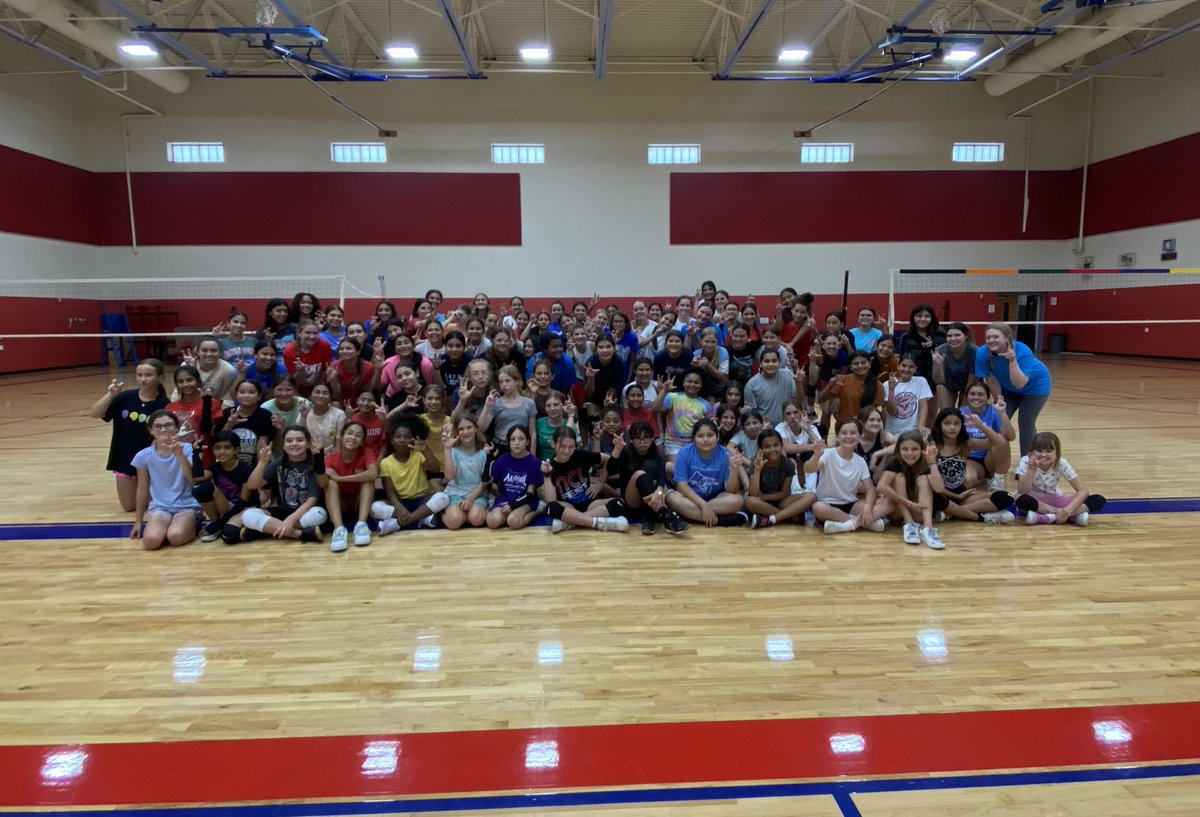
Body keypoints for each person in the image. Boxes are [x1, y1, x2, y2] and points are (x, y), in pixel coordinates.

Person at [89, 359, 169, 512]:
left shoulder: (165, 403)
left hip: (152, 463)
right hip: (124, 459)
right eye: (139, 375)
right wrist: (111, 395)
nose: (143, 379)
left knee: (156, 505)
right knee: (130, 507)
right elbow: (94, 413)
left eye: (148, 375)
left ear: (160, 377)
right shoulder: (125, 397)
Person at [973, 321, 1052, 457]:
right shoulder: (982, 353)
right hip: (1008, 389)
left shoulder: (1022, 350)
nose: (991, 340)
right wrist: (999, 401)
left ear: (1007, 337)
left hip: (1035, 387)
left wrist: (1012, 360)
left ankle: (1027, 463)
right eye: (988, 337)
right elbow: (991, 380)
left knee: (1026, 422)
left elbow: (1019, 384)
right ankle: (995, 461)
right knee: (998, 420)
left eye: (996, 337)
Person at [239, 425, 328, 543]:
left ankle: (268, 531)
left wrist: (291, 520)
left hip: (306, 512)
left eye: (300, 440)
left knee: (318, 514)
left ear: (307, 444)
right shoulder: (279, 462)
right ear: (284, 446)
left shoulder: (313, 463)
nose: (294, 444)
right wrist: (263, 461)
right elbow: (252, 485)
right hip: (284, 511)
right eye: (289, 441)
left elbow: (312, 500)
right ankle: (300, 534)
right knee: (247, 515)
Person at [927, 407, 1016, 525]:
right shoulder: (933, 446)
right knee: (938, 501)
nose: (952, 427)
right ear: (940, 425)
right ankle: (974, 515)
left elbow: (998, 442)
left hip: (962, 495)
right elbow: (935, 486)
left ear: (961, 425)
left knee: (1006, 497)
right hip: (942, 496)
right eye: (947, 423)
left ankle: (952, 513)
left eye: (956, 423)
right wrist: (956, 496)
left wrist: (980, 425)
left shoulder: (966, 444)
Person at [129, 409, 201, 550]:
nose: (164, 429)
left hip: (187, 506)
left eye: (168, 425)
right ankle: (168, 526)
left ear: (177, 428)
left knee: (175, 537)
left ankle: (192, 524)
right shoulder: (143, 456)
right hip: (160, 507)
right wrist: (138, 522)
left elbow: (193, 479)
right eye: (158, 426)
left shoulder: (188, 449)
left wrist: (179, 455)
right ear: (150, 430)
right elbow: (142, 488)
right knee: (150, 541)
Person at [806, 418, 890, 535]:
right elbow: (809, 468)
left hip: (852, 504)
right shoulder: (828, 454)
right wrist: (816, 456)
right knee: (817, 507)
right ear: (837, 437)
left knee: (888, 503)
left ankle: (846, 525)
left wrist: (867, 507)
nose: (849, 436)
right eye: (844, 433)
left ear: (859, 437)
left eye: (853, 433)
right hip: (828, 505)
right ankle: (863, 523)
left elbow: (870, 489)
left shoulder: (860, 461)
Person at [541, 426, 629, 533]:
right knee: (551, 508)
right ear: (553, 444)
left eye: (571, 447)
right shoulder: (550, 465)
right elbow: (551, 500)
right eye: (562, 446)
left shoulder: (580, 455)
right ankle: (600, 523)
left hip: (590, 505)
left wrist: (600, 482)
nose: (567, 451)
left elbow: (608, 459)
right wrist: (547, 475)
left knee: (619, 503)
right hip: (568, 508)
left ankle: (570, 522)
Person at [664, 419, 747, 527]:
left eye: (710, 435)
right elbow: (682, 486)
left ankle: (689, 515)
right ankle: (720, 520)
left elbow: (731, 490)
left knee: (738, 500)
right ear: (694, 439)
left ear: (717, 437)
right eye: (700, 436)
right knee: (672, 498)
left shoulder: (725, 454)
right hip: (691, 497)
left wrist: (734, 470)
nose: (705, 439)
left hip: (716, 498)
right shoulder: (684, 452)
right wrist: (703, 505)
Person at [375, 416, 451, 532]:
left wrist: (424, 449)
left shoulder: (417, 455)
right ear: (392, 440)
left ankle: (401, 522)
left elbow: (435, 469)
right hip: (401, 502)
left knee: (443, 497)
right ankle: (422, 518)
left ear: (412, 439)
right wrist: (400, 508)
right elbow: (390, 492)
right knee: (374, 508)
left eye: (406, 437)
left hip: (422, 500)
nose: (402, 440)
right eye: (398, 437)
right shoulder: (385, 462)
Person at [611, 420, 687, 535]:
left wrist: (659, 493)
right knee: (641, 474)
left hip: (651, 502)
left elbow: (662, 479)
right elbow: (610, 468)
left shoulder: (657, 456)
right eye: (637, 438)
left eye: (646, 437)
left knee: (653, 471)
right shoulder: (626, 454)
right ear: (631, 440)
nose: (642, 442)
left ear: (652, 439)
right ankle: (665, 514)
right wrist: (617, 449)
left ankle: (650, 519)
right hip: (631, 502)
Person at [1016, 432, 1106, 526]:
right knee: (1020, 499)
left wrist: (1067, 510)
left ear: (1056, 453)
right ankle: (1072, 515)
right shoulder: (1026, 461)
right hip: (1036, 501)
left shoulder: (1061, 463)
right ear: (1032, 452)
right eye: (1039, 451)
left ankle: (1046, 517)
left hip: (1055, 499)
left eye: (1049, 451)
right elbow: (1022, 491)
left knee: (1098, 500)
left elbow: (1083, 491)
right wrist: (1031, 470)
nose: (1043, 454)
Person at [876, 430, 943, 549]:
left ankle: (928, 528)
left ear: (922, 449)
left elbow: (939, 489)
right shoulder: (896, 461)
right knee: (899, 477)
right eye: (905, 449)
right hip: (898, 512)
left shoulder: (926, 461)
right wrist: (907, 502)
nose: (910, 453)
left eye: (915, 449)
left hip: (917, 511)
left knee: (923, 478)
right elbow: (881, 486)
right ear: (899, 449)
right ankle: (909, 524)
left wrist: (932, 463)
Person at [324, 421, 380, 552]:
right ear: (341, 436)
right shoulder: (331, 457)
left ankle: (361, 526)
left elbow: (373, 474)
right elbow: (322, 483)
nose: (353, 437)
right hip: (340, 505)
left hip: (358, 504)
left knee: (368, 481)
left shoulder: (366, 452)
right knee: (330, 483)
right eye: (349, 433)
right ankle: (339, 530)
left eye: (358, 435)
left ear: (361, 442)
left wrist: (340, 478)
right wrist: (319, 464)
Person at [745, 428, 815, 528]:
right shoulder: (755, 464)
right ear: (761, 448)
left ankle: (771, 519)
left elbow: (784, 493)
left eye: (776, 445)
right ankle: (790, 516)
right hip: (762, 503)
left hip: (782, 501)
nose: (772, 449)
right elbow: (754, 494)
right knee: (749, 501)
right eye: (767, 447)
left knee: (811, 496)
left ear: (781, 445)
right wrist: (757, 471)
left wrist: (765, 496)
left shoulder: (788, 464)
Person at [192, 430, 253, 543]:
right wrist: (196, 452)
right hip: (226, 507)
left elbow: (243, 502)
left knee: (229, 534)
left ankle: (218, 525)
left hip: (245, 508)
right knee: (201, 488)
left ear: (236, 450)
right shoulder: (215, 467)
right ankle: (217, 525)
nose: (222, 452)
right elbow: (197, 478)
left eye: (227, 448)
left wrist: (216, 525)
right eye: (217, 448)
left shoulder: (246, 468)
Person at [961, 381, 1015, 492]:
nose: (976, 397)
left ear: (987, 397)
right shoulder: (961, 413)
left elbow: (1011, 436)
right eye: (972, 394)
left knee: (1002, 439)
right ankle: (980, 477)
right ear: (967, 396)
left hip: (993, 458)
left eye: (980, 394)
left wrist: (1002, 413)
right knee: (969, 480)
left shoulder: (994, 412)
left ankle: (998, 479)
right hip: (971, 459)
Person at [486, 426, 544, 530]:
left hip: (525, 500)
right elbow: (491, 482)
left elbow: (530, 493)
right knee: (493, 522)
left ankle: (536, 512)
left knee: (513, 522)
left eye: (521, 439)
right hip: (506, 498)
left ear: (527, 442)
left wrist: (513, 505)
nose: (517, 443)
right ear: (508, 442)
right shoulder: (502, 460)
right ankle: (493, 512)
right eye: (513, 439)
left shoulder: (534, 462)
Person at [440, 416, 490, 530]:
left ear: (476, 428)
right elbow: (449, 476)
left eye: (469, 427)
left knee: (476, 519)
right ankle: (440, 514)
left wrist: (470, 500)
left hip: (477, 493)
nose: (465, 432)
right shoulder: (454, 451)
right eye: (461, 429)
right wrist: (447, 449)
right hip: (456, 491)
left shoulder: (484, 451)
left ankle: (483, 510)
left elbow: (484, 482)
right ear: (457, 431)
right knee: (454, 521)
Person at [478, 365, 538, 449]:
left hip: (520, 446)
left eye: (507, 381)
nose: (504, 384)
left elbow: (533, 433)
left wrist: (532, 456)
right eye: (501, 382)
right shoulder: (496, 402)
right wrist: (487, 406)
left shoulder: (529, 403)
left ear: (517, 381)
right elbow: (481, 429)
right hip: (500, 445)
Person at [821, 350, 880, 424]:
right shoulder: (842, 380)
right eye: (856, 364)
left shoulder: (877, 385)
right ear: (850, 366)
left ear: (870, 364)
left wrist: (852, 421)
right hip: (843, 426)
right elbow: (821, 399)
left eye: (863, 363)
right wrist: (830, 386)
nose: (860, 366)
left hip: (865, 426)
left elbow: (871, 410)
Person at [883, 355, 933, 437]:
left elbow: (923, 405)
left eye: (911, 367)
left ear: (915, 369)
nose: (906, 369)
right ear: (898, 366)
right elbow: (892, 412)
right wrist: (891, 390)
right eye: (903, 365)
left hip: (913, 432)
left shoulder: (921, 381)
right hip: (892, 432)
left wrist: (920, 427)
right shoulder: (887, 384)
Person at [176, 336, 237, 403]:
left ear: (220, 353)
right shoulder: (186, 365)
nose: (209, 354)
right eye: (204, 350)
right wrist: (193, 370)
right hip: (188, 402)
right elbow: (182, 392)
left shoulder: (228, 370)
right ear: (198, 352)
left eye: (213, 350)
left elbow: (223, 397)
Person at [282, 319, 334, 397]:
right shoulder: (289, 351)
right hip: (297, 391)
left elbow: (324, 372)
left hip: (318, 390)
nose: (312, 336)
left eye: (315, 333)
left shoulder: (324, 346)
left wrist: (317, 393)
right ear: (299, 333)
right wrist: (301, 371)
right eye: (308, 333)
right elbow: (294, 382)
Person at [932, 322, 977, 410]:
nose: (953, 339)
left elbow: (971, 381)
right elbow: (938, 381)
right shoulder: (939, 351)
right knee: (946, 413)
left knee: (964, 412)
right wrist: (939, 365)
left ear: (966, 336)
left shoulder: (975, 351)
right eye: (949, 336)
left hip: (969, 385)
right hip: (948, 385)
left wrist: (964, 405)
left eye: (957, 335)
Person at [897, 303, 946, 384]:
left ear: (932, 318)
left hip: (936, 379)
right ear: (913, 318)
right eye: (919, 316)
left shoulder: (940, 334)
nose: (923, 319)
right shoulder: (906, 337)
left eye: (927, 316)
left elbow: (945, 356)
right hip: (913, 380)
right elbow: (903, 360)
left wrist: (933, 347)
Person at [329, 337, 375, 410]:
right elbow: (337, 396)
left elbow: (370, 393)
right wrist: (334, 380)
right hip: (341, 404)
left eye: (348, 348)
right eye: (341, 349)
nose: (344, 351)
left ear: (358, 352)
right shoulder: (334, 366)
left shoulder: (368, 368)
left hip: (364, 404)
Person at [304, 381, 346, 455]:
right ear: (310, 396)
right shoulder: (304, 413)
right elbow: (300, 436)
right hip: (307, 454)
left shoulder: (339, 414)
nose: (320, 396)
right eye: (317, 392)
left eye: (325, 393)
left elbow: (339, 444)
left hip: (331, 455)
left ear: (330, 398)